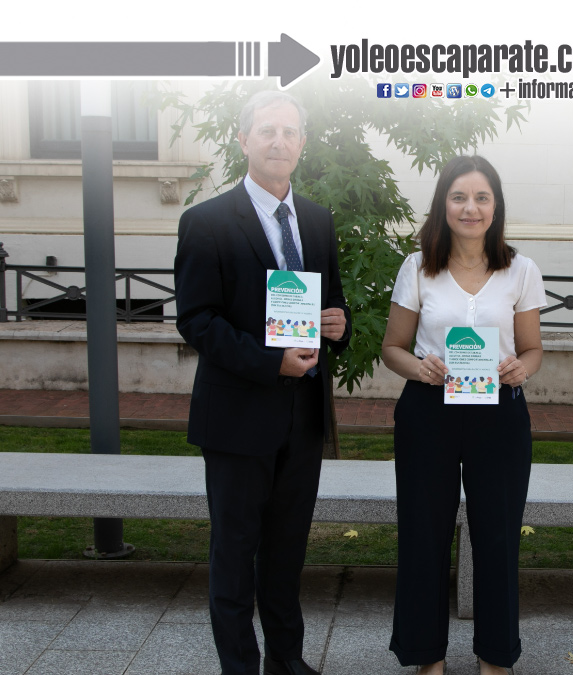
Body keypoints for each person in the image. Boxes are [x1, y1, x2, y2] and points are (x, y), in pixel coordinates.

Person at [174, 89, 351, 675]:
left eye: (289, 132)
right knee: (234, 554)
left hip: (302, 418)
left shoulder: (318, 220)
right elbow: (197, 321)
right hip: (238, 417)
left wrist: (339, 325)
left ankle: (287, 660)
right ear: (244, 139)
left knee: (287, 551)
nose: (279, 142)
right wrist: (269, 361)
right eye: (267, 131)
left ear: (302, 143)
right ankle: (240, 668)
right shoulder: (205, 222)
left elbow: (332, 304)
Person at [381, 155, 545, 675]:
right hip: (428, 410)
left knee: (497, 536)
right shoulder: (418, 267)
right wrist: (420, 368)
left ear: (496, 206)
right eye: (458, 197)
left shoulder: (521, 269)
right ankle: (425, 655)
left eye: (481, 198)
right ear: (443, 205)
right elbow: (392, 348)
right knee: (423, 533)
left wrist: (521, 368)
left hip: (498, 413)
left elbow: (533, 350)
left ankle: (495, 656)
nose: (470, 208)